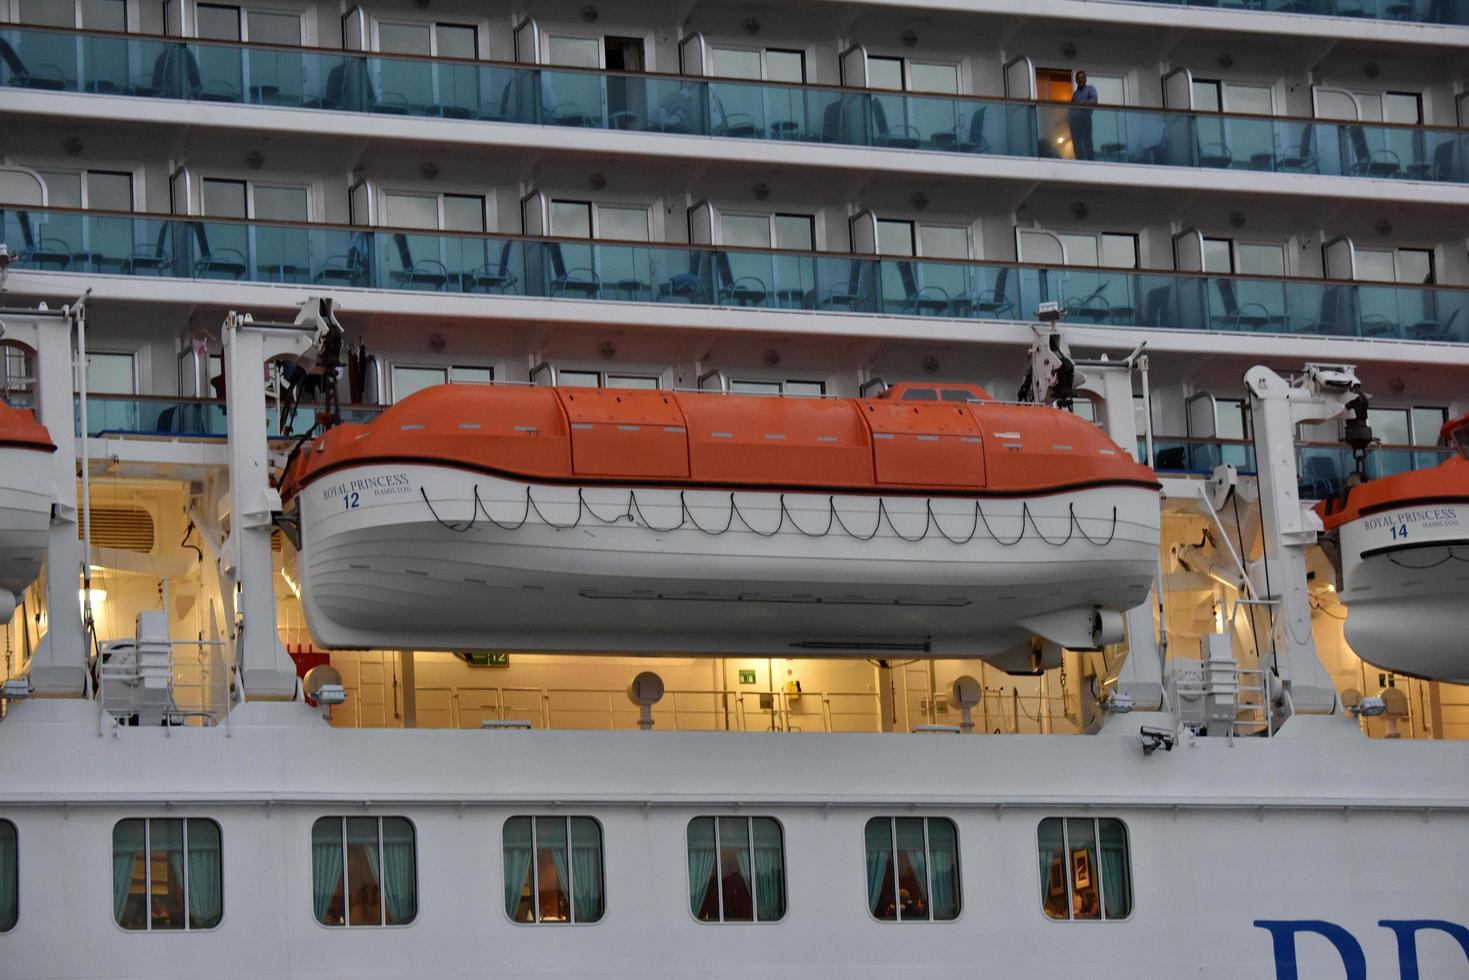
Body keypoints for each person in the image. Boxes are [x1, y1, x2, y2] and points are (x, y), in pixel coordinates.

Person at [1068, 70, 1099, 161]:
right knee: (1077, 146)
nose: (1080, 80)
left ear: (1085, 79)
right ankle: (1079, 163)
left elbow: (1094, 100)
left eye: (1082, 78)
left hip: (1085, 121)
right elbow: (1071, 109)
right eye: (1078, 78)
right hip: (1075, 123)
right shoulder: (1075, 94)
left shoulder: (1090, 89)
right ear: (1076, 81)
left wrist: (1082, 104)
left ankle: (1091, 164)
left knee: (1087, 143)